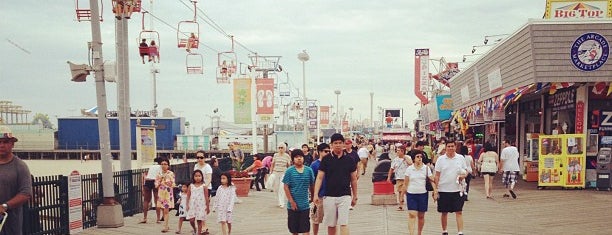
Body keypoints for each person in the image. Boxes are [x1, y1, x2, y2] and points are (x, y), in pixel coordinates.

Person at [313, 133, 358, 235]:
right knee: (331, 224)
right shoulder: (326, 159)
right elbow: (319, 177)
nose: (338, 145)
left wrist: (355, 195)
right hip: (329, 195)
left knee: (344, 223)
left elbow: (354, 179)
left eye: (340, 143)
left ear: (343, 144)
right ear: (331, 145)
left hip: (345, 195)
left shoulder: (349, 159)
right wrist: (315, 194)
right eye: (335, 143)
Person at [0, 126, 32, 235]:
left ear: (12, 144)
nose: (1, 145)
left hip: (11, 226)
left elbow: (26, 193)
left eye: (6, 142)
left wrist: (5, 206)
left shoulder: (20, 166)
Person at [434, 140, 468, 235]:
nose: (450, 148)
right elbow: (437, 175)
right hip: (443, 189)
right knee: (444, 212)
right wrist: (436, 189)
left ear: (455, 147)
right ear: (445, 147)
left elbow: (466, 171)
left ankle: (460, 232)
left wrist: (463, 176)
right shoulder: (441, 159)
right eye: (448, 146)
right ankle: (444, 230)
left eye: (452, 146)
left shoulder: (460, 158)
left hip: (457, 189)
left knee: (459, 211)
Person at [283, 149, 315, 235]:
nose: (299, 159)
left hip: (305, 205)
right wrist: (291, 201)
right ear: (293, 159)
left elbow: (312, 185)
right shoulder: (289, 171)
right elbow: (286, 187)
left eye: (301, 157)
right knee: (294, 230)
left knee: (306, 229)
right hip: (292, 206)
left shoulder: (309, 170)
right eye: (296, 157)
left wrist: (313, 197)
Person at [404, 151, 437, 235]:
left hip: (423, 194)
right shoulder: (409, 169)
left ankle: (419, 233)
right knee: (412, 214)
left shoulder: (426, 168)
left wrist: (435, 190)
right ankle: (411, 233)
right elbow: (406, 182)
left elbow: (431, 180)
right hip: (411, 194)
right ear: (414, 159)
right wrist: (402, 195)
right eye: (417, 157)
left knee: (421, 216)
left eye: (421, 157)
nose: (419, 158)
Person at [310, 143, 330, 235]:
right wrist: (314, 195)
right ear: (319, 152)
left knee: (332, 219)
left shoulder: (332, 163)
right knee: (316, 218)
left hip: (330, 195)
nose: (328, 153)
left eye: (329, 151)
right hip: (319, 195)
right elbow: (312, 181)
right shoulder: (314, 165)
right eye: (326, 151)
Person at [387, 144, 413, 211]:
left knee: (407, 192)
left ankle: (411, 204)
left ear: (403, 151)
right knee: (400, 192)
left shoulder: (408, 157)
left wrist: (405, 158)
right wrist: (389, 177)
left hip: (407, 178)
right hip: (399, 178)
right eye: (397, 151)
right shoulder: (395, 159)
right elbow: (391, 168)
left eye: (398, 151)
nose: (397, 152)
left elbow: (411, 164)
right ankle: (401, 206)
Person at [156, 158, 176, 233]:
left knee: (166, 210)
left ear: (168, 165)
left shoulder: (171, 173)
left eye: (165, 164)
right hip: (161, 193)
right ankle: (166, 224)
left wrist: (168, 183)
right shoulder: (159, 174)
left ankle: (165, 226)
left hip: (168, 194)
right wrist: (160, 180)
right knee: (162, 209)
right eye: (162, 164)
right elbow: (156, 185)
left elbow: (173, 184)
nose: (163, 166)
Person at [140, 157, 162, 224]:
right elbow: (160, 176)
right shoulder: (160, 166)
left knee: (146, 200)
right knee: (156, 200)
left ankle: (145, 218)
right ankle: (158, 218)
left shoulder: (151, 166)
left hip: (148, 181)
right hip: (155, 181)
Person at [271, 143, 291, 208]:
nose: (280, 149)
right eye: (279, 148)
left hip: (283, 173)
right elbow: (272, 164)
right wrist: (271, 172)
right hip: (275, 172)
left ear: (284, 149)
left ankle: (282, 202)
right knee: (276, 188)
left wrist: (289, 174)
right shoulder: (275, 155)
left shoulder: (287, 156)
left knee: (282, 188)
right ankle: (279, 201)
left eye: (282, 147)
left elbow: (288, 166)